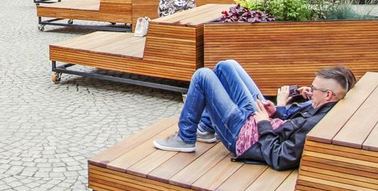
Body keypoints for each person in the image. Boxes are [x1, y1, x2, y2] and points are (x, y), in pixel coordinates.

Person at [152, 59, 355, 171]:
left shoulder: (316, 123)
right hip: (259, 121)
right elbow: (289, 122)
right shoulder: (323, 106)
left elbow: (281, 157)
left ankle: (185, 138)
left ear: (328, 94)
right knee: (227, 65)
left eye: (314, 88)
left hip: (244, 138)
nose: (309, 91)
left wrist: (264, 123)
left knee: (203, 75)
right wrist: (276, 110)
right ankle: (206, 128)